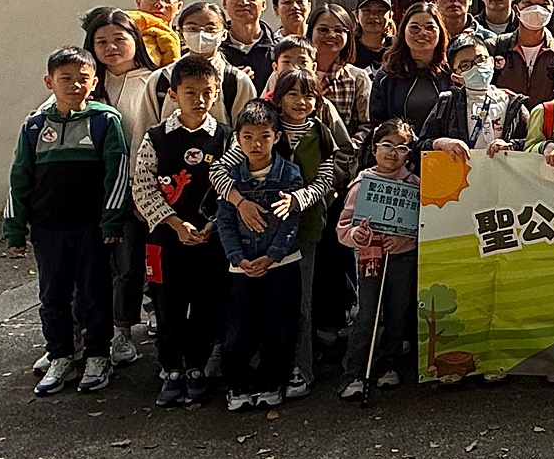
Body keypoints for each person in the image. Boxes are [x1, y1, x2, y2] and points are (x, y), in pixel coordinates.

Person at [222, 67, 354, 399]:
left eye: (308, 95)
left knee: (300, 305)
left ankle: (300, 369)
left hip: (304, 232)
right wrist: (239, 202)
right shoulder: (264, 128)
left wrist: (297, 200)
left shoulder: (321, 133)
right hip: (255, 232)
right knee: (255, 306)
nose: (300, 101)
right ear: (278, 98)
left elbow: (324, 181)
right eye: (292, 94)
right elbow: (219, 171)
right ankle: (257, 373)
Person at [5, 48, 130, 397]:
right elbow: (19, 178)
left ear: (94, 82)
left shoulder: (105, 121)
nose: (74, 85)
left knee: (94, 293)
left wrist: (111, 222)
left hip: (91, 228)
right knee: (53, 295)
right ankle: (60, 355)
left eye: (82, 79)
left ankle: (97, 356)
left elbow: (117, 173)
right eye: (65, 78)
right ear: (50, 82)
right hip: (47, 228)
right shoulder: (34, 126)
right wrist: (15, 228)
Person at [130, 54, 230, 408]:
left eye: (207, 92)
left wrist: (212, 224)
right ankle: (171, 369)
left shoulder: (225, 138)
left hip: (209, 240)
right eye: (190, 92)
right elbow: (143, 186)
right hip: (165, 240)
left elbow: (232, 188)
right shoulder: (156, 137)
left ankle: (197, 367)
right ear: (173, 94)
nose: (199, 100)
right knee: (167, 305)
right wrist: (174, 223)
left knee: (205, 305)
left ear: (216, 94)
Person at [82, 7, 161, 368]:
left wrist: (140, 190)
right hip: (100, 193)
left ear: (136, 41)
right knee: (112, 266)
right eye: (101, 41)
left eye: (119, 38)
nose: (111, 47)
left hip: (148, 189)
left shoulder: (154, 82)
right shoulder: (87, 84)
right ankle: (116, 331)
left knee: (142, 264)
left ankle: (144, 320)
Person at [214, 102, 305, 411]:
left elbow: (291, 221)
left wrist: (273, 255)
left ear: (276, 137)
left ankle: (271, 382)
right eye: (248, 137)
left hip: (282, 264)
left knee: (279, 326)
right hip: (241, 267)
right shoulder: (232, 179)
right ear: (237, 139)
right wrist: (237, 257)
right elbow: (224, 220)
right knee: (238, 328)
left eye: (264, 136)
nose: (256, 144)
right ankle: (237, 386)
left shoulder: (289, 174)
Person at [336, 118, 420, 398]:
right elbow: (343, 227)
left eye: (401, 148)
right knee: (367, 315)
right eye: (386, 145)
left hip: (403, 257)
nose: (393, 153)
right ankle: (353, 373)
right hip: (369, 258)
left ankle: (388, 365)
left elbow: (422, 224)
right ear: (374, 149)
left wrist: (407, 239)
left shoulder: (415, 185)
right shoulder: (362, 184)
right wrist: (357, 236)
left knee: (398, 313)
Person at [417, 34, 530, 160]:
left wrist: (511, 146)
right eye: (465, 65)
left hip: (502, 171)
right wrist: (441, 143)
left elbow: (533, 143)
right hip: (460, 170)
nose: (477, 67)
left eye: (481, 59)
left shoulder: (512, 103)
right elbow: (419, 148)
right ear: (456, 77)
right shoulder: (447, 103)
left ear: (492, 61)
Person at [159, 1, 259, 127]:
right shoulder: (161, 79)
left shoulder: (237, 81)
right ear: (180, 33)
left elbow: (248, 130)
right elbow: (144, 130)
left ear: (224, 34)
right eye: (192, 28)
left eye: (210, 29)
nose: (201, 34)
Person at [368, 1, 451, 131]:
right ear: (403, 32)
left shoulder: (452, 73)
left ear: (440, 32)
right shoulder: (387, 76)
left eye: (430, 28)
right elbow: (377, 123)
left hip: (445, 144)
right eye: (414, 27)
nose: (422, 33)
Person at [492, 0, 554, 105]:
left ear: (552, 10)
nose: (537, 9)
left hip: (547, 118)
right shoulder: (495, 47)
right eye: (528, 3)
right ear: (516, 9)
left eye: (544, 4)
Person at [309, 3, 372, 136]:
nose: (331, 35)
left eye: (339, 30)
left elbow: (367, 125)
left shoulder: (357, 78)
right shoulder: (293, 72)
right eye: (323, 30)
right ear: (311, 31)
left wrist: (349, 147)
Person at [221, 0, 278, 89]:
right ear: (225, 3)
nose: (243, 2)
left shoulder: (278, 48)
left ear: (263, 4)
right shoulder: (215, 48)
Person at [130, 0, 184, 67]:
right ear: (138, 2)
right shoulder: (126, 37)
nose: (159, 4)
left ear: (179, 7)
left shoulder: (186, 45)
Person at [352, 0, 396, 69]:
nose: (373, 16)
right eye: (367, 10)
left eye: (381, 11)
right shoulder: (348, 48)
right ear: (356, 15)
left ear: (390, 16)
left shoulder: (398, 49)